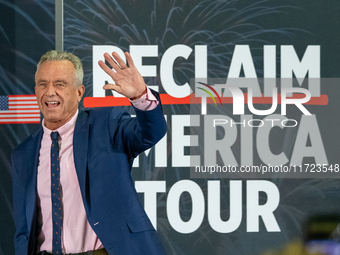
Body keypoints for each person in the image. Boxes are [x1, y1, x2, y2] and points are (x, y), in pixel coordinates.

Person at [11, 50, 167, 255]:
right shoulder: (23, 154)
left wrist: (140, 97)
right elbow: (24, 230)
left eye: (59, 84)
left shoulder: (106, 124)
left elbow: (150, 133)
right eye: (42, 84)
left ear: (79, 92)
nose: (49, 92)